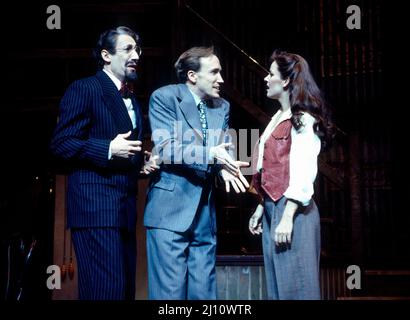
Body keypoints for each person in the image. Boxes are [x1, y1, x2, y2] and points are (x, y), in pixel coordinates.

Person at [50, 26, 156, 300]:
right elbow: (61, 144)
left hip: (123, 210)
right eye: (128, 49)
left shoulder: (130, 97)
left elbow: (123, 151)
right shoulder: (85, 88)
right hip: (95, 207)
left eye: (138, 50)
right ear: (106, 55)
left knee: (123, 293)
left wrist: (138, 163)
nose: (136, 55)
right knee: (105, 293)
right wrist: (108, 148)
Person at [144, 46, 249, 299]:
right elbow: (167, 149)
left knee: (204, 295)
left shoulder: (221, 106)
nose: (221, 79)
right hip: (169, 212)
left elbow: (225, 145)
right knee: (170, 296)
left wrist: (226, 166)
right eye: (214, 72)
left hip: (205, 213)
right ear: (192, 75)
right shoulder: (165, 97)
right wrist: (212, 155)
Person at [248, 50, 334, 300]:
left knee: (297, 289)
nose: (265, 78)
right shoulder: (277, 118)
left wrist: (287, 216)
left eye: (270, 73)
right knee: (279, 291)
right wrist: (261, 207)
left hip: (293, 212)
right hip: (273, 208)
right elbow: (272, 167)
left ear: (285, 81)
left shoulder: (303, 120)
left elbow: (303, 170)